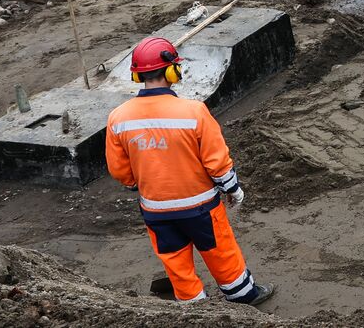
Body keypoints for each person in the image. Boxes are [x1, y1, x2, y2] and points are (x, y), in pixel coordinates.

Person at [105, 36, 274, 306]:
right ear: (172, 71)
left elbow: (119, 170)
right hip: (201, 207)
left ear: (137, 75)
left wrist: (137, 182)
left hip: (156, 210)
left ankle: (195, 307)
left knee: (175, 261)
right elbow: (216, 161)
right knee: (220, 252)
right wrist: (232, 189)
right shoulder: (194, 111)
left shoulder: (118, 117)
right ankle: (243, 296)